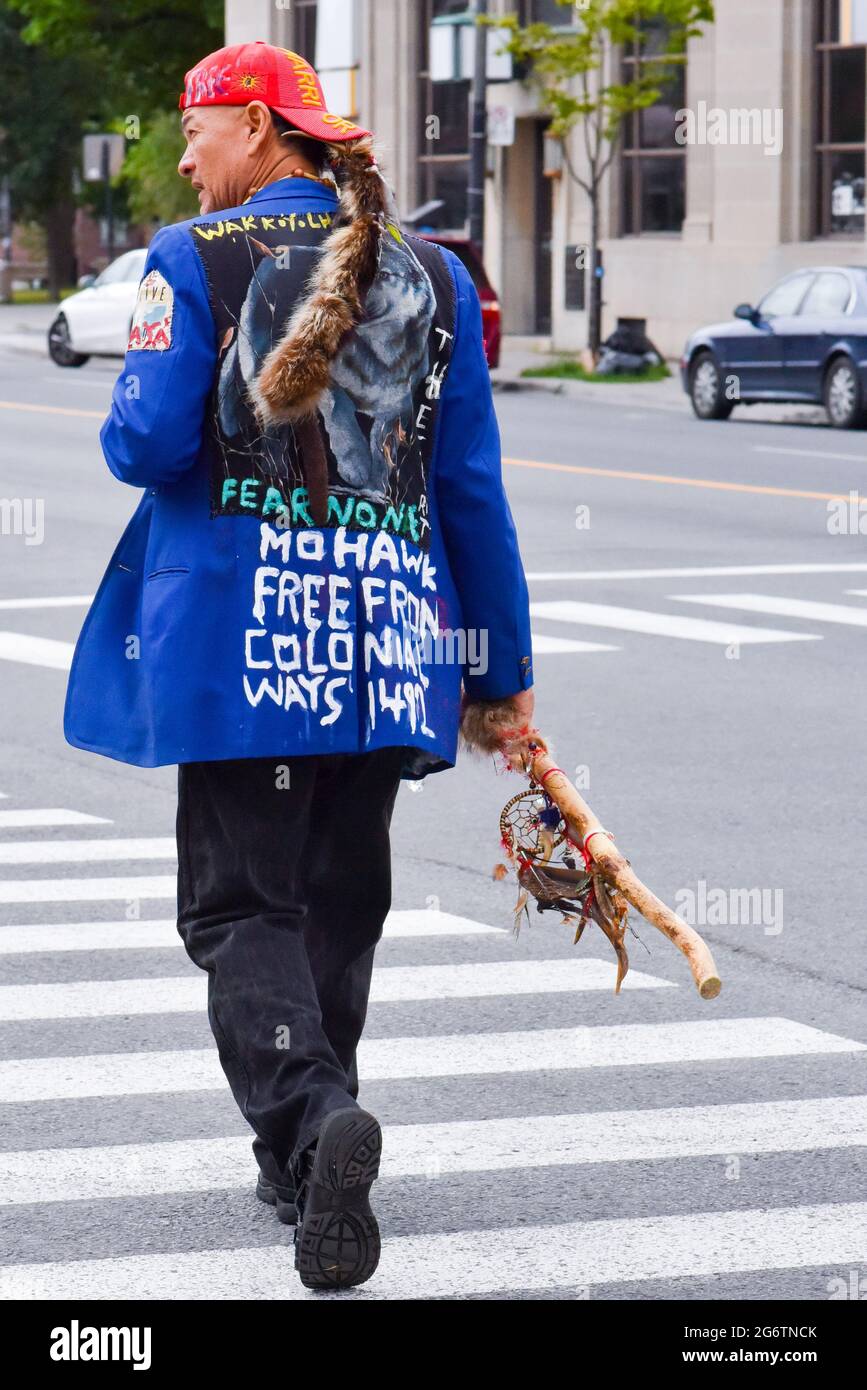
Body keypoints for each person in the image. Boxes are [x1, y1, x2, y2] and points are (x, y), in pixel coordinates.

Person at [64, 40, 534, 1290]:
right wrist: (502, 668)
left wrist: (122, 405)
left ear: (263, 130)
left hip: (243, 644)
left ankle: (315, 1120)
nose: (183, 153)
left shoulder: (194, 259)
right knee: (338, 899)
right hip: (384, 645)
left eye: (197, 128)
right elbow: (470, 488)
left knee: (238, 905)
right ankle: (305, 1155)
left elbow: (152, 442)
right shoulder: (429, 270)